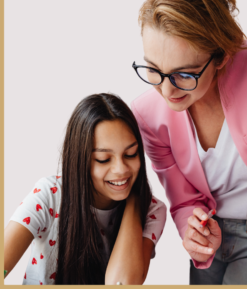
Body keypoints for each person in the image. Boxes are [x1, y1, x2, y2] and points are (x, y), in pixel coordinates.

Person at [131, 0, 247, 285]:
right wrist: (192, 231)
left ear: (220, 56)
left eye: (184, 74)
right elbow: (183, 201)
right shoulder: (147, 115)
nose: (167, 91)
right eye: (154, 70)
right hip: (213, 243)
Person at [4, 93, 167, 285]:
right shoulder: (48, 195)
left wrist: (134, 200)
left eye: (130, 154)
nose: (121, 169)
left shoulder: (152, 210)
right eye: (103, 159)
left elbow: (122, 282)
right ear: (79, 161)